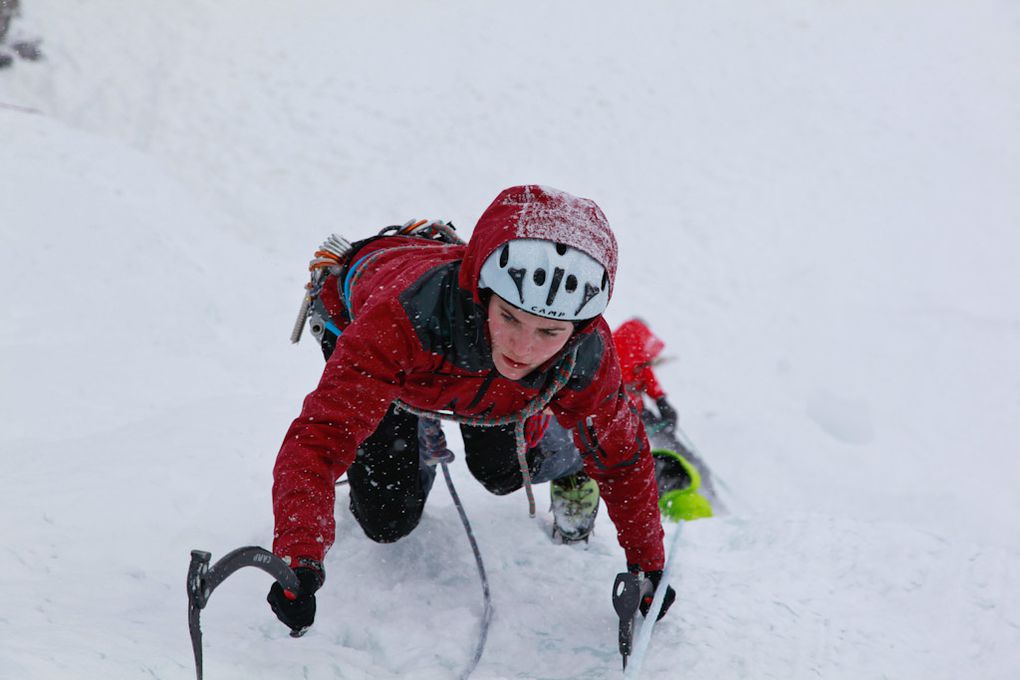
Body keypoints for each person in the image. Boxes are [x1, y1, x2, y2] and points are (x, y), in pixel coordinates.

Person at [267, 185, 676, 636]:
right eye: (511, 318)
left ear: (579, 330)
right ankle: (411, 425)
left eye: (549, 331)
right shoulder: (399, 317)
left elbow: (619, 458)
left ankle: (570, 461)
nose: (523, 349)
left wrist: (647, 565)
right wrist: (299, 555)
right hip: (405, 352)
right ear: (482, 292)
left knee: (501, 473)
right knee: (387, 519)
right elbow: (320, 440)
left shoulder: (585, 354)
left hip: (461, 371)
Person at [613, 317, 720, 513]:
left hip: (638, 414)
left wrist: (662, 402)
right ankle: (697, 488)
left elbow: (649, 381)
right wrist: (657, 409)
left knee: (672, 451)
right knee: (670, 455)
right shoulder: (617, 361)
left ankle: (702, 488)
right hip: (625, 417)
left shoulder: (633, 360)